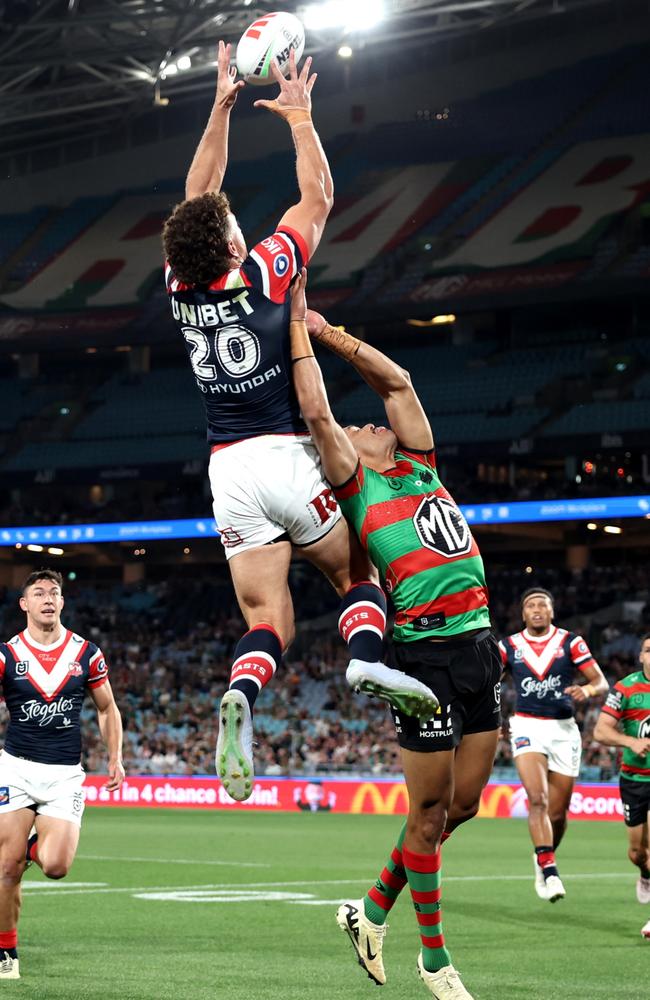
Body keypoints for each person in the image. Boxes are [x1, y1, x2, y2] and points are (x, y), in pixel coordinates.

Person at [161, 44, 436, 802]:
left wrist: (219, 107)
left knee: (268, 616)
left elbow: (197, 197)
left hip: (227, 471)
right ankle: (368, 656)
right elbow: (316, 197)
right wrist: (301, 120)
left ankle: (242, 699)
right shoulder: (264, 269)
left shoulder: (180, 289)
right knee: (357, 571)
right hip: (287, 452)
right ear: (229, 245)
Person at [288, 271, 501, 999]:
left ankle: (370, 910)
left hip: (480, 644)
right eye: (361, 425)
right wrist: (294, 333)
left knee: (464, 806)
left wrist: (332, 332)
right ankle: (435, 961)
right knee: (429, 812)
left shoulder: (418, 462)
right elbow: (319, 414)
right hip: (422, 657)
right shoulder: (359, 483)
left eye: (372, 422)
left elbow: (400, 382)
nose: (371, 421)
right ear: (347, 451)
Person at [0, 569, 124, 980]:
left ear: (62, 602)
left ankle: (31, 844)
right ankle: (6, 953)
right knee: (7, 868)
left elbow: (107, 709)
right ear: (25, 604)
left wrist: (115, 758)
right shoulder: (7, 655)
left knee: (55, 866)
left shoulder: (87, 653)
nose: (48, 599)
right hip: (15, 769)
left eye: (54, 592)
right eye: (39, 593)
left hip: (64, 775)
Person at [499, 588, 608, 902]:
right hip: (526, 726)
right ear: (523, 614)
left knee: (558, 815)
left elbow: (600, 681)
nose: (536, 609)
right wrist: (491, 721)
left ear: (551, 612)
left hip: (563, 731)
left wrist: (587, 692)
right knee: (538, 800)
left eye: (542, 605)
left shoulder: (570, 642)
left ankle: (542, 855)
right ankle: (549, 868)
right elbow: (486, 682)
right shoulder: (509, 646)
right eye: (530, 605)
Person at [593, 633, 650, 940]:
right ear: (640, 656)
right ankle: (644, 874)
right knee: (637, 852)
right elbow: (601, 731)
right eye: (648, 650)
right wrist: (631, 741)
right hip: (634, 779)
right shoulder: (626, 688)